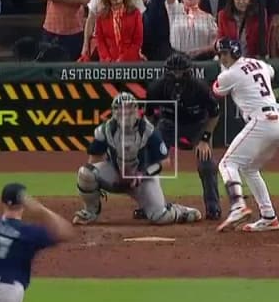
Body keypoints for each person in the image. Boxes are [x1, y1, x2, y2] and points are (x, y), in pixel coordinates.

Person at [73, 92, 204, 226]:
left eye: (129, 109)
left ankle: (180, 211)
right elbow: (94, 159)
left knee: (160, 216)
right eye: (121, 110)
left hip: (143, 178)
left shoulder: (148, 130)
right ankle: (90, 211)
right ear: (114, 112)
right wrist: (102, 178)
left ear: (136, 110)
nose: (126, 114)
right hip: (116, 174)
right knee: (86, 173)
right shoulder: (105, 130)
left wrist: (143, 174)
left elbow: (165, 162)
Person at [211, 37, 279, 233]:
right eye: (220, 54)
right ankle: (269, 217)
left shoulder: (228, 75)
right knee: (250, 169)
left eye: (225, 54)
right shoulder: (259, 63)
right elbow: (270, 72)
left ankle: (238, 206)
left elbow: (217, 92)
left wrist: (226, 72)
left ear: (235, 53)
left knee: (227, 163)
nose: (222, 58)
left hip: (262, 121)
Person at [144, 51, 222, 220]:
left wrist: (205, 139)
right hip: (168, 124)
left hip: (197, 125)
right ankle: (148, 204)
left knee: (206, 164)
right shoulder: (157, 87)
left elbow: (215, 113)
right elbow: (149, 116)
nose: (177, 76)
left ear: (189, 72)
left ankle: (213, 206)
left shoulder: (199, 87)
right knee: (147, 160)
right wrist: (149, 140)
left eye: (181, 72)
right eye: (174, 72)